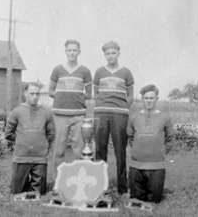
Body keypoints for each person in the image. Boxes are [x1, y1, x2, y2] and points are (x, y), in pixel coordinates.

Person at [93, 41, 134, 195]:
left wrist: (122, 108)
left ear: (118, 53)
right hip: (101, 114)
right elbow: (95, 93)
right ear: (104, 55)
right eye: (108, 53)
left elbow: (130, 96)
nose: (111, 56)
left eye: (113, 53)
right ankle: (101, 186)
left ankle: (122, 187)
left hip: (120, 115)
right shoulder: (99, 72)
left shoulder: (126, 73)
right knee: (100, 150)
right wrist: (103, 105)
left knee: (120, 151)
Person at [49, 39, 92, 178]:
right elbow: (50, 91)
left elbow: (89, 94)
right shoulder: (57, 69)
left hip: (78, 115)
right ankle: (58, 181)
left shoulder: (85, 71)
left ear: (79, 52)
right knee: (58, 149)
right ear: (65, 52)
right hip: (60, 115)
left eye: (75, 50)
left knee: (79, 149)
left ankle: (79, 180)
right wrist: (63, 96)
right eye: (69, 50)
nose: (72, 53)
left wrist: (76, 97)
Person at [5, 82, 55, 195]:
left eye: (37, 94)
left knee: (40, 193)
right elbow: (8, 133)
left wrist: (43, 145)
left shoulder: (47, 112)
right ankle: (24, 187)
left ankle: (35, 190)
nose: (35, 96)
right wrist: (22, 140)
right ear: (25, 94)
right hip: (21, 157)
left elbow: (51, 134)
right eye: (32, 93)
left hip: (40, 158)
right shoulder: (17, 111)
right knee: (16, 192)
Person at [126, 84, 173, 203]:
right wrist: (138, 149)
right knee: (136, 199)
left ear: (156, 99)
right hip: (137, 165)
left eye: (151, 98)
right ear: (142, 99)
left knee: (154, 200)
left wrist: (161, 151)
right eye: (146, 98)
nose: (148, 101)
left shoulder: (165, 117)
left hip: (156, 165)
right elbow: (130, 136)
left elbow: (170, 138)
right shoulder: (134, 117)